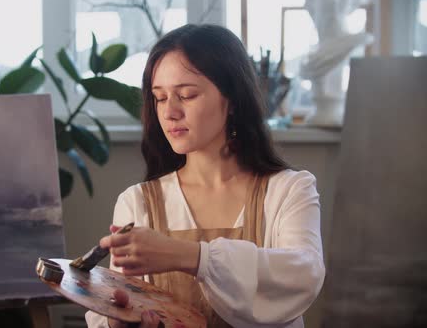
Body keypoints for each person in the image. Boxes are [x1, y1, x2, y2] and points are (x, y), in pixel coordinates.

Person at [85, 24, 325, 328]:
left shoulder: (289, 190)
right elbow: (110, 306)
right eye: (160, 98)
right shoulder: (138, 203)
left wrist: (190, 256)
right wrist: (118, 321)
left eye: (186, 94)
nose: (169, 112)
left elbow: (304, 273)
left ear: (233, 99)